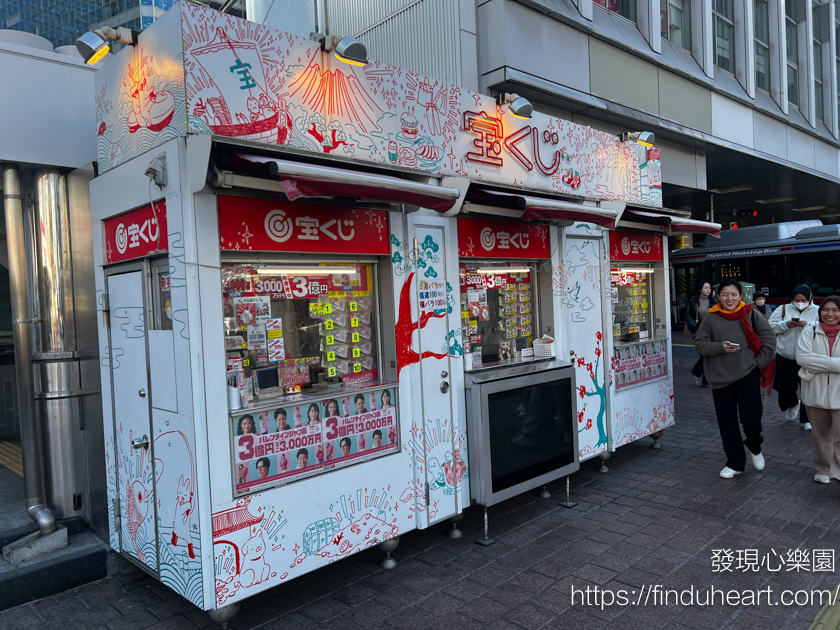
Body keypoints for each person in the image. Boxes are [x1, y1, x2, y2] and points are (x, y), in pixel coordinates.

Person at [694, 279, 776, 478]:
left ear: (740, 296)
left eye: (733, 295)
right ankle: (735, 462)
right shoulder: (711, 318)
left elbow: (769, 339)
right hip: (720, 377)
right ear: (718, 296)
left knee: (751, 419)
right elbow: (700, 344)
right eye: (724, 294)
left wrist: (758, 364)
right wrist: (720, 347)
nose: (729, 299)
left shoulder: (750, 313)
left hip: (748, 373)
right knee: (727, 422)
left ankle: (754, 446)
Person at [795, 295, 840, 483]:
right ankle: (823, 468)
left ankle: (837, 472)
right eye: (826, 309)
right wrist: (836, 364)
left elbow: (810, 361)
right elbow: (803, 358)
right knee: (820, 436)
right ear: (820, 311)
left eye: (835, 310)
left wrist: (817, 363)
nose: (830, 314)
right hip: (814, 393)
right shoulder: (810, 330)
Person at [768, 285, 819, 429]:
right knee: (783, 386)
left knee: (808, 390)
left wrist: (807, 324)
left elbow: (823, 327)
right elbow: (769, 327)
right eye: (796, 300)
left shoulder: (817, 310)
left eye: (803, 300)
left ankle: (806, 419)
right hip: (786, 356)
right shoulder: (783, 309)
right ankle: (792, 404)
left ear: (809, 299)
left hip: (808, 357)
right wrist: (786, 324)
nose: (800, 302)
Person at [687, 281, 719, 387]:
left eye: (709, 288)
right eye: (705, 288)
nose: (708, 290)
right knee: (704, 354)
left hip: (710, 330)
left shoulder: (712, 301)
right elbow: (689, 315)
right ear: (700, 289)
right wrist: (694, 329)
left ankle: (702, 377)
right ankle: (699, 374)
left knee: (707, 354)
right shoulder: (694, 300)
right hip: (698, 330)